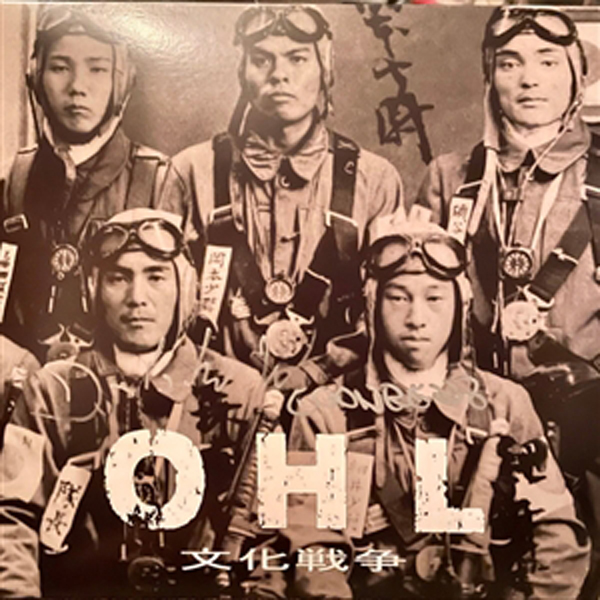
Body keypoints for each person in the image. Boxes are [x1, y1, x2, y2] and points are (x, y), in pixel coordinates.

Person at [250, 221, 590, 599]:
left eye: (434, 298)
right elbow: (314, 548)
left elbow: (556, 534)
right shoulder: (326, 412)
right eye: (398, 298)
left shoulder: (503, 403)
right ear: (372, 306)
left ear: (459, 306)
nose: (416, 318)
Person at [412, 7, 600, 596]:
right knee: (460, 575)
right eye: (510, 63)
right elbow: (418, 305)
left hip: (588, 423)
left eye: (548, 62)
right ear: (489, 77)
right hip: (476, 421)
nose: (530, 79)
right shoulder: (451, 178)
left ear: (577, 75)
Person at [0, 208, 271, 597]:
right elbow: (11, 515)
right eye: (118, 278)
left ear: (185, 288)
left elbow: (273, 529)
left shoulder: (241, 390)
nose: (137, 298)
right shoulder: (52, 390)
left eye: (156, 276)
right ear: (92, 289)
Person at [174, 6, 404, 391]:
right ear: (242, 72)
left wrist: (319, 373)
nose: (279, 75)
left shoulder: (374, 178)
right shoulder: (191, 171)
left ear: (325, 70)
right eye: (262, 60)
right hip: (215, 394)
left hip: (338, 402)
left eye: (297, 59)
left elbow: (391, 308)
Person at [1, 6, 186, 362]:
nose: (77, 87)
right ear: (35, 76)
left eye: (97, 69)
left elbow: (181, 316)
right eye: (60, 68)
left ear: (122, 80)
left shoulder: (160, 180)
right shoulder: (13, 178)